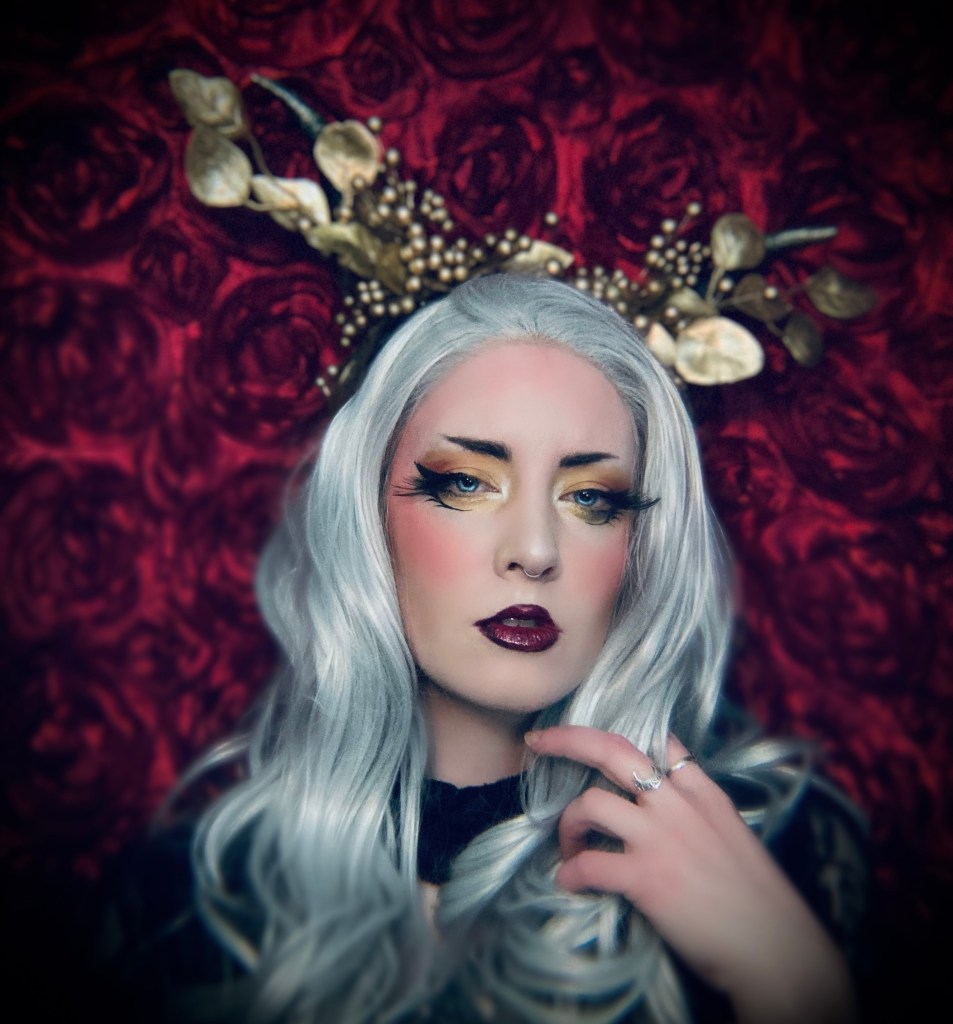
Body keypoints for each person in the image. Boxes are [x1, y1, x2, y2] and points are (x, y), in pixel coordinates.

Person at [105, 274, 865, 1023]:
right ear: (367, 513)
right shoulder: (199, 898)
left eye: (590, 498)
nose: (534, 551)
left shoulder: (773, 857)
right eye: (467, 483)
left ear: (642, 545)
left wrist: (792, 981)